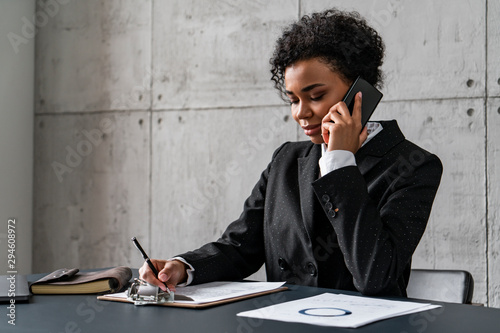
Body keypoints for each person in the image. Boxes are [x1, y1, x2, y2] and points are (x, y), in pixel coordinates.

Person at [140, 8, 442, 297]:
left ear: (358, 93)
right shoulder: (285, 160)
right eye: (293, 99)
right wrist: (182, 267)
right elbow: (239, 248)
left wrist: (340, 164)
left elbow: (375, 275)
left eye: (316, 96)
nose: (300, 113)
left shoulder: (412, 166)